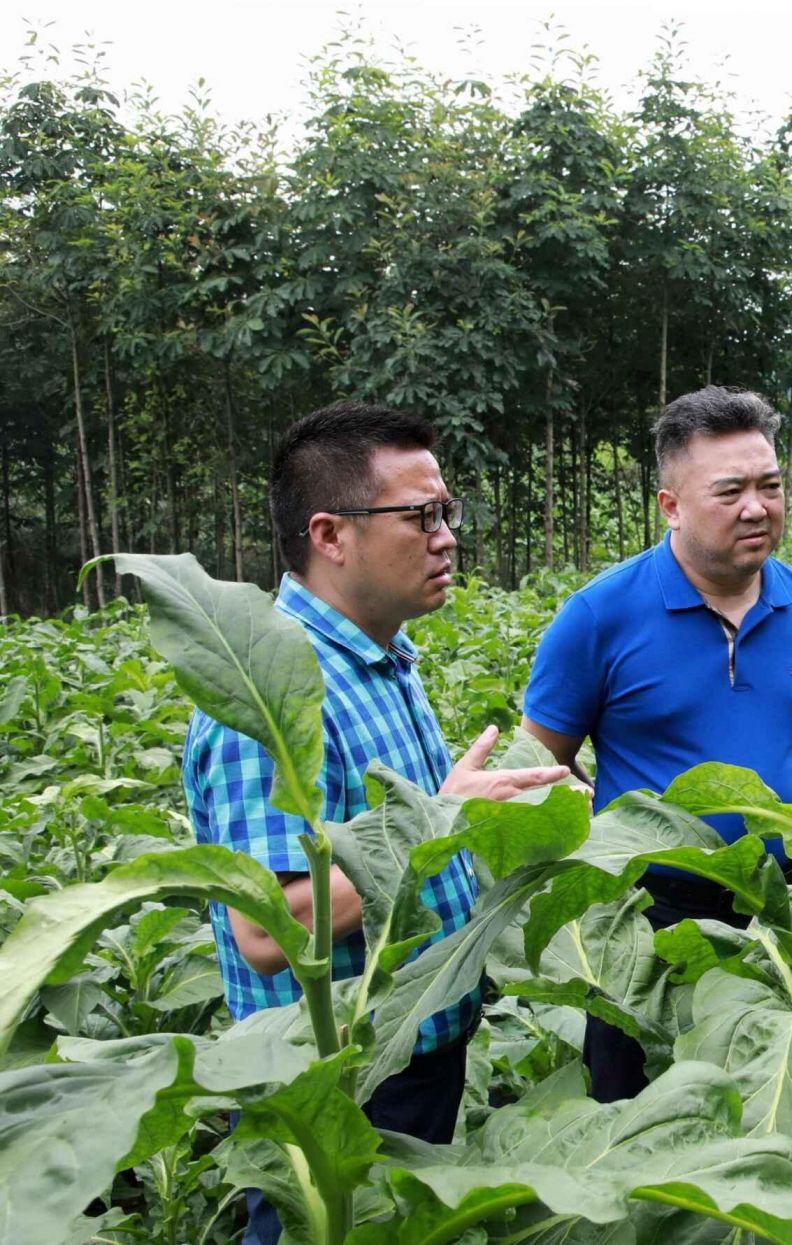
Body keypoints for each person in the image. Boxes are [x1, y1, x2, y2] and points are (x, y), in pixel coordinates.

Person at [183, 401, 570, 1245]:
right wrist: (445, 814)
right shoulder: (273, 690)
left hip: (407, 1056)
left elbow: (405, 839)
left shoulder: (379, 655)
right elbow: (267, 925)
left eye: (448, 511)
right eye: (420, 515)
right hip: (339, 1087)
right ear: (330, 534)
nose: (446, 536)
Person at [520, 385, 792, 1102]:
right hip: (643, 922)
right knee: (631, 1110)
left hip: (775, 916)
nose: (757, 507)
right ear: (670, 504)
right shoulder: (599, 614)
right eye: (730, 490)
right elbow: (535, 762)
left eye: (771, 485)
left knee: (767, 1105)